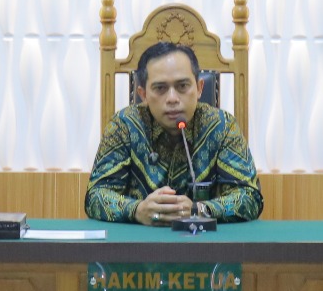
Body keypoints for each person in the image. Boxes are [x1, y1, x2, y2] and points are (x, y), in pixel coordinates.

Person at [86, 41, 263, 224]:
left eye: (182, 86)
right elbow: (96, 196)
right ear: (143, 94)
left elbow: (250, 197)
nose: (172, 99)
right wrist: (137, 210)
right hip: (140, 239)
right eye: (160, 88)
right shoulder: (124, 126)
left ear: (199, 88)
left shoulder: (222, 126)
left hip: (205, 240)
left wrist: (199, 209)